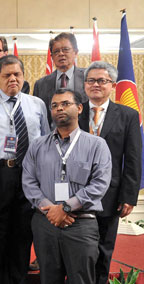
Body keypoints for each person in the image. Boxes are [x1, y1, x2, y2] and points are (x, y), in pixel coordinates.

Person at [0, 55, 49, 284]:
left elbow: (45, 142)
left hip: (30, 173)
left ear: (23, 76)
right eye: (7, 75)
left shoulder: (37, 105)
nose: (13, 79)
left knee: (23, 231)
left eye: (17, 74)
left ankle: (18, 278)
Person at [23, 89, 112, 283]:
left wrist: (65, 207)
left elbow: (100, 184)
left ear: (79, 108)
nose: (59, 108)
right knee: (48, 278)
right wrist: (51, 210)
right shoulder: (37, 145)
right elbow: (29, 182)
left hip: (81, 224)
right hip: (45, 223)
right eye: (54, 106)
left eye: (65, 104)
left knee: (81, 279)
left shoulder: (97, 145)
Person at [77, 61, 142, 284]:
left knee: (104, 249)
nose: (96, 84)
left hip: (111, 195)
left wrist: (128, 196)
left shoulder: (128, 115)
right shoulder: (74, 111)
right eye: (91, 80)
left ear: (112, 85)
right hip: (75, 193)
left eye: (102, 80)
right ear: (84, 85)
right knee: (77, 251)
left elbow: (133, 159)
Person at [33, 32, 88, 126]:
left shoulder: (88, 78)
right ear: (52, 57)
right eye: (56, 51)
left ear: (75, 52)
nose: (61, 54)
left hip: (83, 135)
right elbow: (38, 115)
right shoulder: (41, 84)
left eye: (65, 50)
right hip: (52, 136)